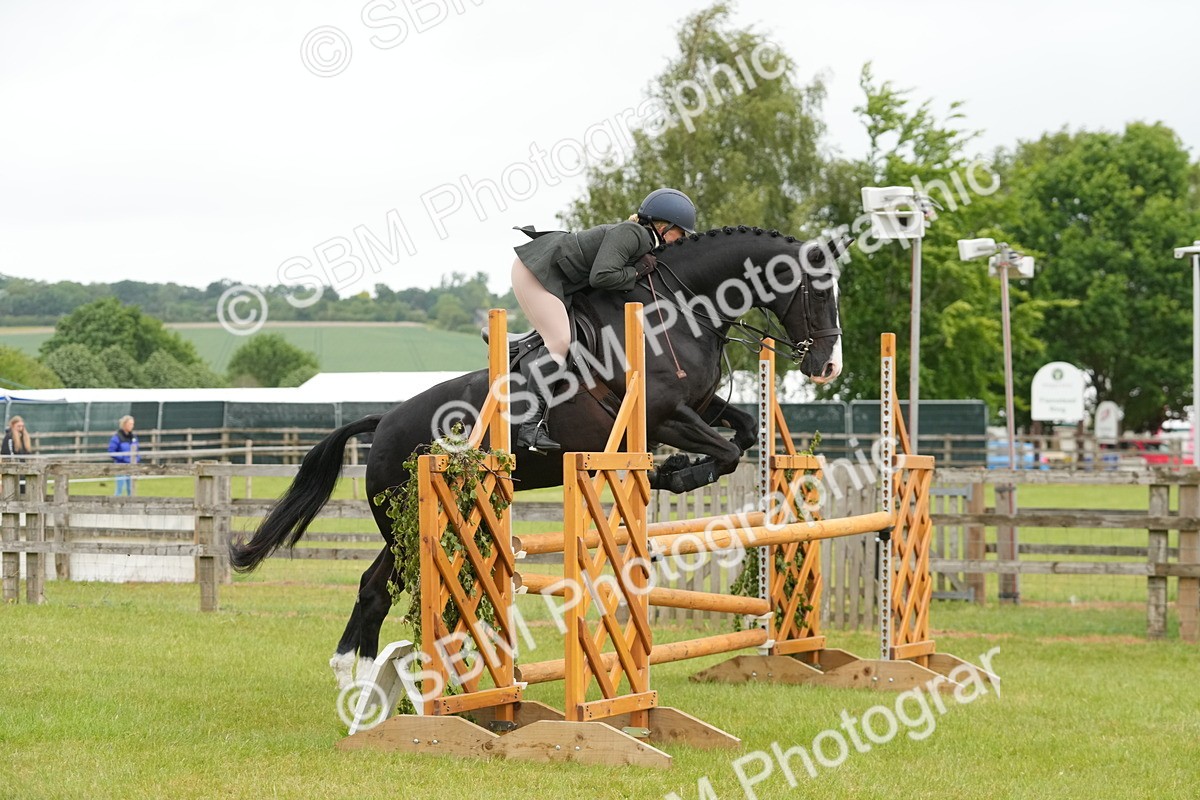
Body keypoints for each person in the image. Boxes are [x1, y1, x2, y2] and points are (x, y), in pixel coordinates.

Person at [510, 187, 698, 453]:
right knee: (560, 340)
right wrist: (634, 274)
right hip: (534, 272)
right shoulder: (633, 234)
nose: (682, 240)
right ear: (664, 227)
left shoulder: (644, 241)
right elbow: (602, 276)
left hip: (554, 278)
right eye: (681, 233)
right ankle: (530, 428)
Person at [107, 415, 138, 496]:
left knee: (131, 489)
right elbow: (112, 451)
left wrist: (136, 460)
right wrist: (124, 459)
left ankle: (131, 506)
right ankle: (115, 506)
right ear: (124, 424)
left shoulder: (133, 437)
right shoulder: (117, 437)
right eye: (130, 424)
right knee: (119, 489)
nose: (132, 426)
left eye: (133, 424)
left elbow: (137, 451)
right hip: (120, 466)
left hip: (131, 466)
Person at [2, 415, 33, 494]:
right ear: (13, 425)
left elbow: (28, 453)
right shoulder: (9, 437)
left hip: (24, 469)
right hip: (13, 469)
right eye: (18, 426)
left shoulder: (24, 437)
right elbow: (9, 453)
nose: (21, 428)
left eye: (22, 426)